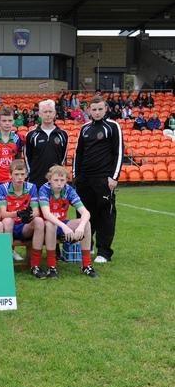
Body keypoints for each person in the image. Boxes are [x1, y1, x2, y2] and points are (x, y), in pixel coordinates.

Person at [73, 95, 124, 264]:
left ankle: (104, 251)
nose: (97, 112)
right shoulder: (85, 128)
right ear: (89, 110)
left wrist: (114, 177)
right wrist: (76, 176)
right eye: (94, 109)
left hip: (103, 180)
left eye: (100, 109)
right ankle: (88, 246)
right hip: (84, 180)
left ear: (106, 109)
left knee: (105, 215)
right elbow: (78, 154)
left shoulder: (113, 126)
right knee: (84, 214)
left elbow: (119, 153)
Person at [39, 165, 96, 278]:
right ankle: (51, 266)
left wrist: (81, 227)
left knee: (86, 223)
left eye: (62, 180)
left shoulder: (69, 190)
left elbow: (86, 212)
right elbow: (46, 214)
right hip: (45, 226)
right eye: (56, 180)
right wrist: (64, 227)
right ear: (49, 180)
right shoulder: (44, 189)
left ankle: (86, 265)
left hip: (62, 224)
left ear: (66, 180)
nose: (59, 183)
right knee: (51, 224)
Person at [0, 160, 45, 275]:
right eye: (16, 174)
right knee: (7, 221)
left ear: (26, 175)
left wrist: (29, 215)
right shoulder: (3, 188)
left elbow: (36, 211)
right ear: (10, 175)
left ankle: (35, 265)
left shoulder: (31, 187)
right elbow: (3, 214)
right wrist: (18, 213)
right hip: (9, 227)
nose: (19, 177)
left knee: (39, 221)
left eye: (22, 174)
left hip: (24, 226)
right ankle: (6, 263)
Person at [24, 99, 69, 190]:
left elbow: (63, 158)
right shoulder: (31, 135)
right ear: (40, 114)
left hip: (56, 181)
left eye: (50, 111)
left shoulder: (63, 135)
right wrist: (31, 173)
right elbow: (27, 157)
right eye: (45, 112)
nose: (48, 114)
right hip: (36, 180)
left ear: (54, 113)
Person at [0, 107, 23, 188]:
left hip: (12, 181)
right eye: (4, 121)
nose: (7, 123)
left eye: (10, 120)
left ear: (13, 121)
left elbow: (18, 159)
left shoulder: (17, 139)